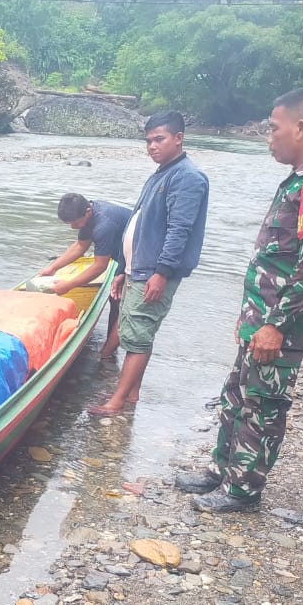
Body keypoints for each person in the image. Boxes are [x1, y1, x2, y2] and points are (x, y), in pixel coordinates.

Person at [179, 88, 303, 513]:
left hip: (279, 323)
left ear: (300, 126)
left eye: (273, 128)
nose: (269, 137)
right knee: (237, 395)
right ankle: (222, 471)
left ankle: (243, 492)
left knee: (262, 405)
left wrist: (275, 324)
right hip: (261, 319)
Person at [87, 111, 209, 417]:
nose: (152, 146)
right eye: (148, 141)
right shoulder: (161, 174)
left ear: (179, 139)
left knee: (138, 334)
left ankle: (117, 401)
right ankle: (131, 393)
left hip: (154, 272)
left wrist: (162, 273)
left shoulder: (187, 178)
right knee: (133, 331)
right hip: (137, 269)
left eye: (159, 139)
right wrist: (123, 269)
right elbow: (138, 226)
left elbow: (179, 230)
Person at [38, 193, 132, 360]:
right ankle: (110, 350)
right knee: (114, 298)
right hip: (123, 256)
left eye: (75, 222)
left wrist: (69, 285)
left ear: (88, 211)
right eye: (69, 223)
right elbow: (80, 246)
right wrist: (52, 268)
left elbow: (99, 266)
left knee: (122, 302)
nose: (72, 226)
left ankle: (106, 355)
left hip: (139, 258)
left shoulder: (104, 225)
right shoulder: (88, 215)